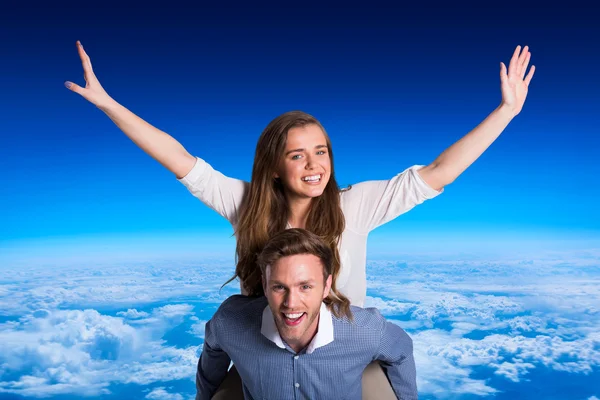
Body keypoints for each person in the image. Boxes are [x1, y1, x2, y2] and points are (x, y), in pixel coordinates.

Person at [65, 41, 535, 398]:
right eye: (297, 155)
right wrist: (109, 105)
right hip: (266, 348)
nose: (315, 165)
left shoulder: (357, 205)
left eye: (321, 152)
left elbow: (439, 173)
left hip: (342, 353)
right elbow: (179, 158)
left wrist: (507, 112)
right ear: (274, 165)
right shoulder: (246, 205)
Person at [197, 228, 418, 400]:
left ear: (325, 286)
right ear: (265, 286)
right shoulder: (230, 322)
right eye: (279, 287)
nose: (291, 303)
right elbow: (213, 346)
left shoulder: (365, 330)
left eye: (305, 287)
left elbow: (402, 350)